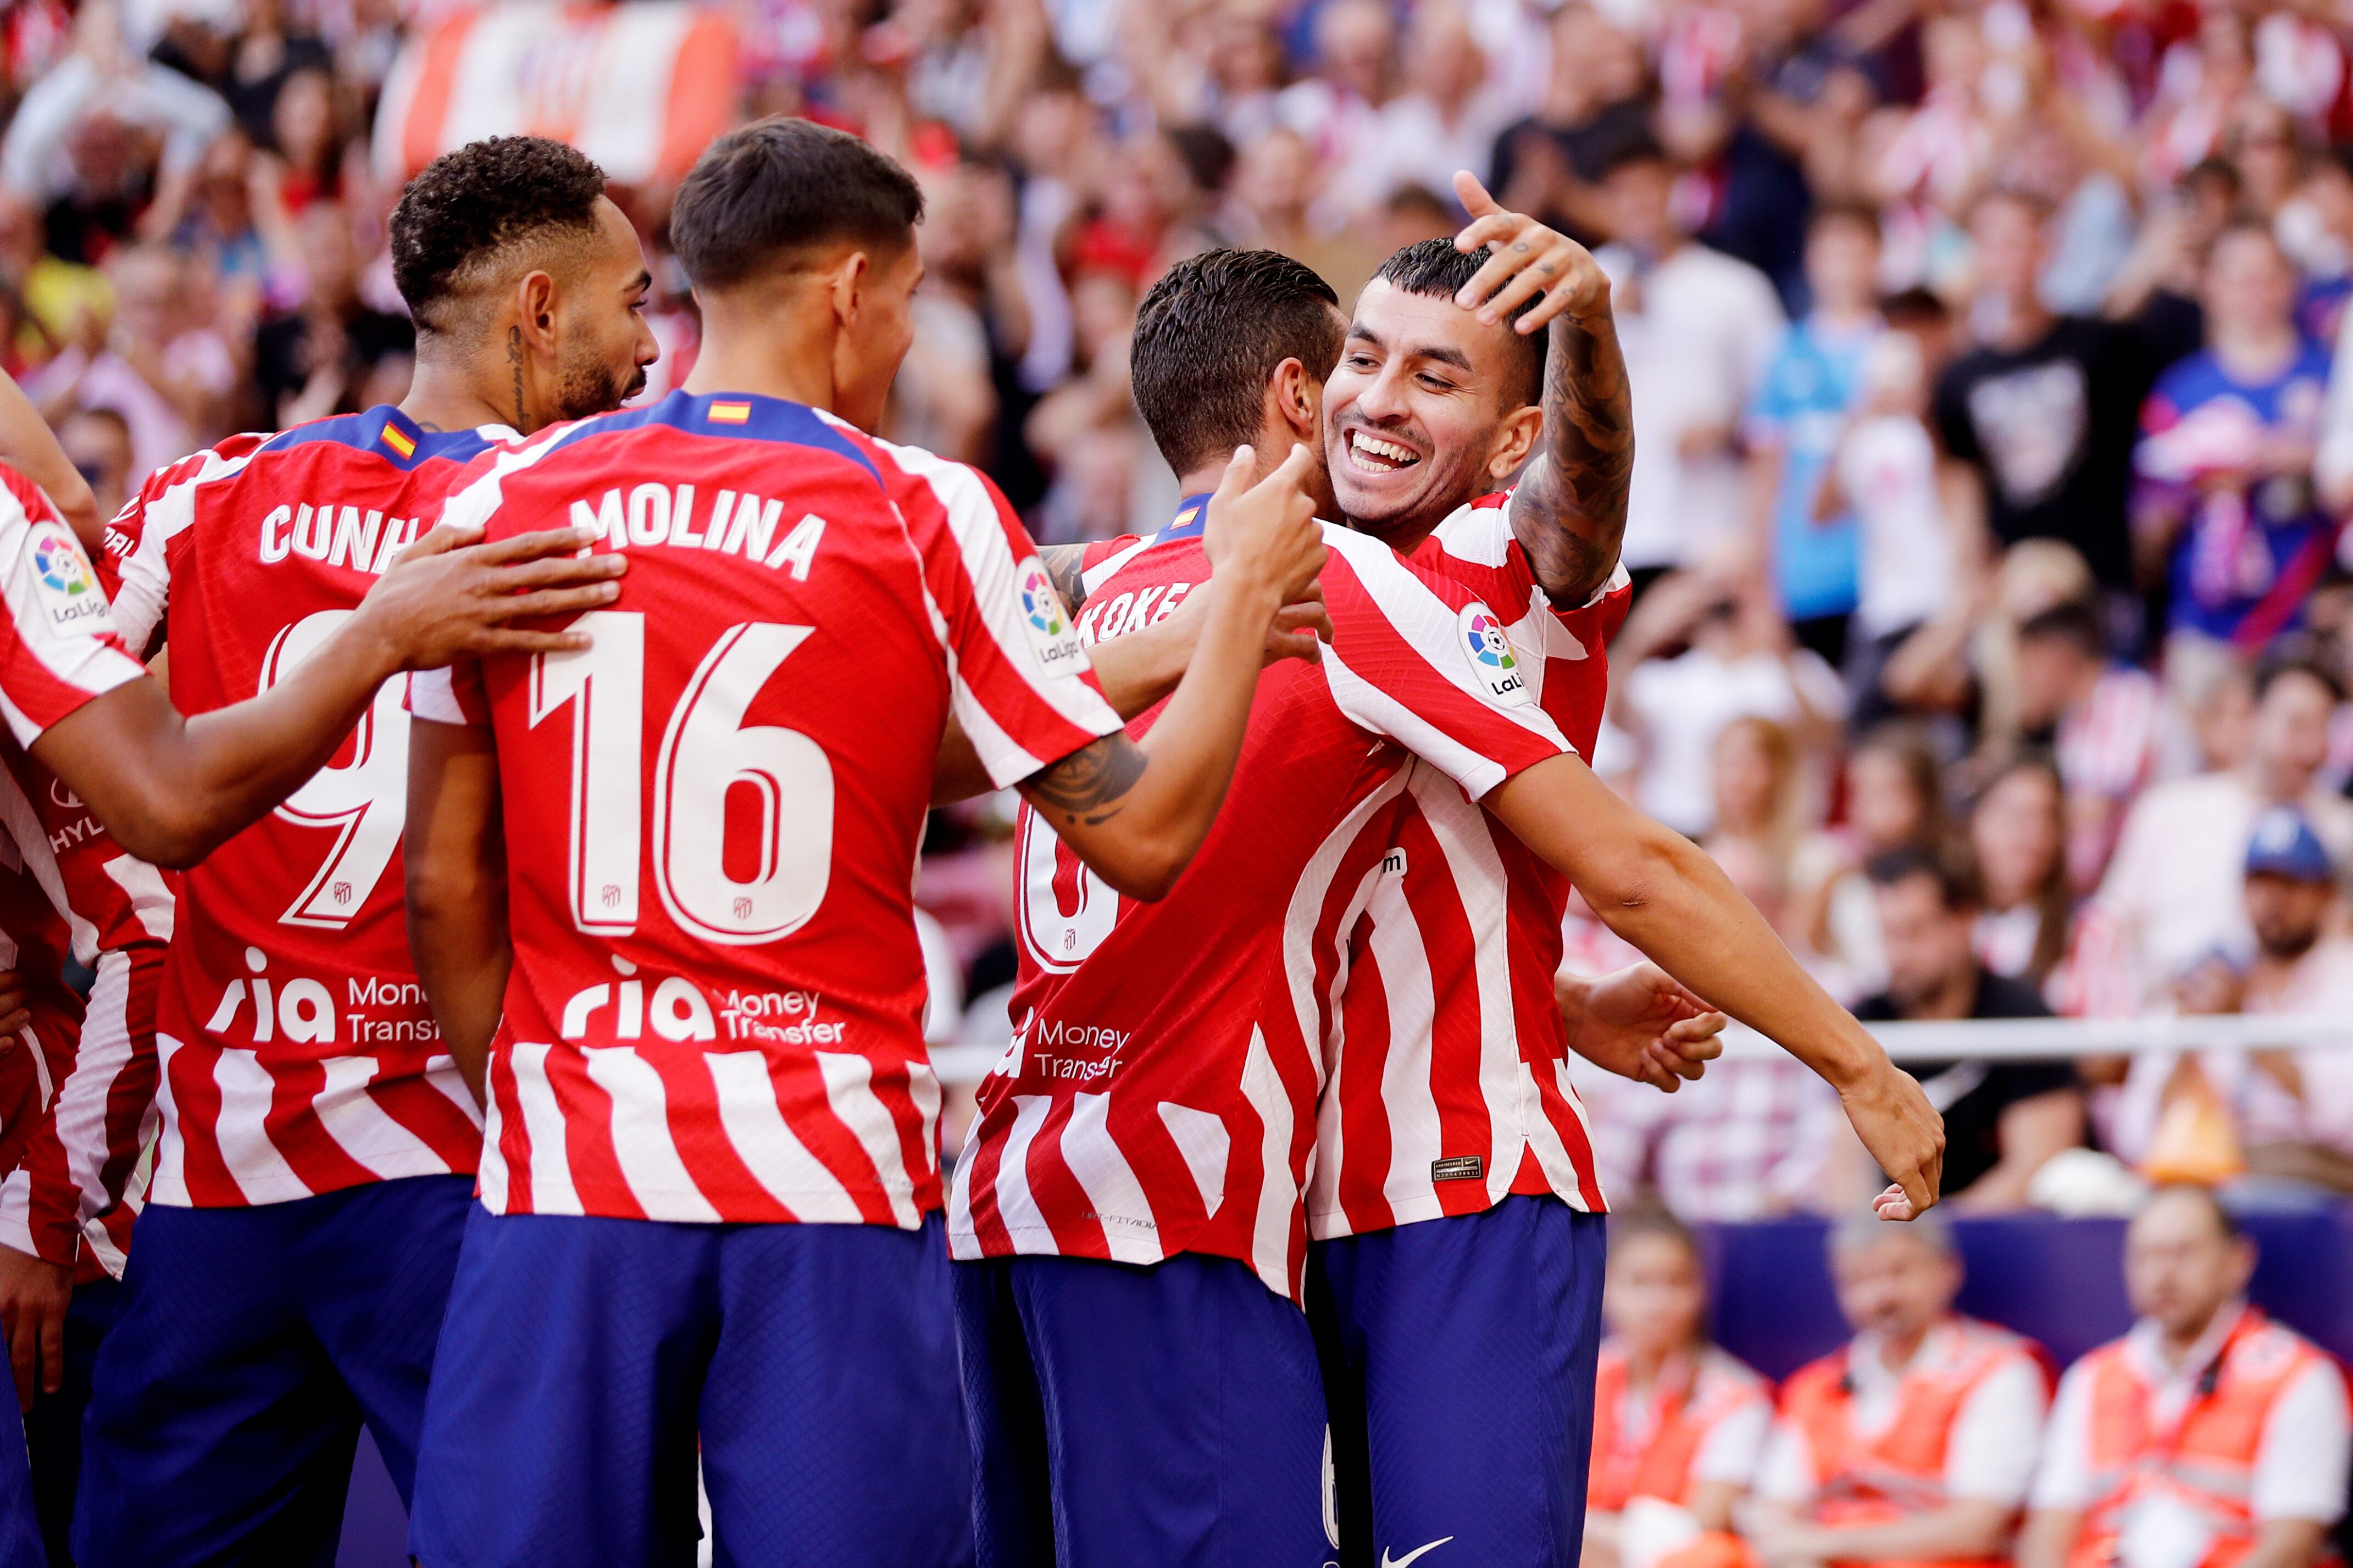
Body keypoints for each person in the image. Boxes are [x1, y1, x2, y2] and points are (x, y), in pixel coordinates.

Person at [398, 117, 1325, 1568]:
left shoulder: (507, 499)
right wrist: (1240, 613)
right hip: (819, 1173)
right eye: (905, 298)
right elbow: (1140, 833)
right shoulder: (918, 505)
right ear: (845, 288)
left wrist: (530, 1102)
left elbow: (445, 882)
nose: (905, 336)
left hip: (572, 1174)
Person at [955, 229, 1942, 1565]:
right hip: (1269, 1199)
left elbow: (1582, 504)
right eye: (1361, 359)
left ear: (1507, 434)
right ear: (1305, 385)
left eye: (1434, 377)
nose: (1377, 398)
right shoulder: (1272, 574)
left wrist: (1587, 317)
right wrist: (1556, 986)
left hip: (1453, 1179)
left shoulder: (1497, 553)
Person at [62, 135, 659, 1568]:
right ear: (536, 308)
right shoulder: (591, 515)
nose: (649, 346)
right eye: (632, 302)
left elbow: (48, 709)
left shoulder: (208, 493)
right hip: (468, 1152)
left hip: (220, 1167)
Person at [2017, 1186, 2351, 1568]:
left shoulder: (2300, 1376)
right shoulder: (2092, 1377)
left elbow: (2291, 1547)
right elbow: (2047, 1536)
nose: (2164, 1273)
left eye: (2185, 1252)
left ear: (2237, 1262)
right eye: (2148, 1256)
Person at [1753, 1212, 2052, 1567]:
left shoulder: (1999, 1371)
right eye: (1859, 1280)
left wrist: (1820, 1543)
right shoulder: (1814, 1386)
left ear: (1947, 1272)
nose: (1881, 1296)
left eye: (1899, 1272)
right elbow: (1775, 1509)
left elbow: (1976, 1528)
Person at [2133, 223, 2335, 688]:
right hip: (2205, 629)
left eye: (2267, 276)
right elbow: (2147, 536)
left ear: (2291, 284)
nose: (2254, 292)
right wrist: (2194, 483)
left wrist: (2308, 459)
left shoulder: (2331, 378)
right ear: (2211, 287)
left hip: (2309, 618)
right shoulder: (2179, 393)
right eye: (2239, 277)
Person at [2093, 649, 2353, 1007]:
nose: (2313, 748)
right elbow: (2112, 926)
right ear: (2251, 717)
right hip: (2164, 1028)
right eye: (2297, 725)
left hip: (2290, 1039)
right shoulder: (2169, 810)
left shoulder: (2341, 829)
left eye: (2324, 729)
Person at [1592, 137, 1787, 588]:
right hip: (1609, 538)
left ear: (1678, 193)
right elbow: (1544, 399)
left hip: (1711, 528)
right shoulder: (1582, 285)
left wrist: (1728, 426)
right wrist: (1599, 323)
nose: (1639, 203)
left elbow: (1780, 395)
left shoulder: (1736, 286)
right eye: (1625, 191)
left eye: (1651, 188)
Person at [1934, 190, 2147, 600]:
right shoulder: (1960, 376)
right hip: (2018, 585)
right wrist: (1972, 568)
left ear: (2046, 247)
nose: (2008, 256)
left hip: (2101, 575)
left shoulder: (2100, 346)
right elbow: (1964, 482)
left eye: (2018, 240)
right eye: (1994, 242)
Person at [1854, 846, 2084, 1210]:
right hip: (1898, 1242)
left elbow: (2039, 1164)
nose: (1897, 956)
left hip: (2010, 1244)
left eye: (1913, 932)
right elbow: (1844, 1169)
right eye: (1887, 934)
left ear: (1964, 922)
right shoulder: (1866, 1021)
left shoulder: (2021, 1017)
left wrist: (1933, 1233)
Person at [1584, 1209, 1773, 1568]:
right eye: (1639, 1282)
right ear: (1605, 1288)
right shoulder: (1577, 1384)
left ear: (1702, 1291)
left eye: (1676, 1282)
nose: (1658, 1303)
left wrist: (1581, 1537)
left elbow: (1699, 1527)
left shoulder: (1738, 1396)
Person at [1746, 202, 1882, 666]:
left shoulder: (1897, 345)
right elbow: (1765, 474)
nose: (1843, 264)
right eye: (1832, 250)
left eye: (1855, 249)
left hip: (1887, 576)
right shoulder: (1786, 353)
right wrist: (1761, 586)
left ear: (1879, 256)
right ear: (1810, 259)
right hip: (1804, 579)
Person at [2011, 598, 2169, 892]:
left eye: (2028, 663)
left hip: (2156, 868)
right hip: (2111, 879)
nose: (2022, 680)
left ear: (2056, 658)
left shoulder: (2128, 696)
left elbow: (2100, 808)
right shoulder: (2072, 722)